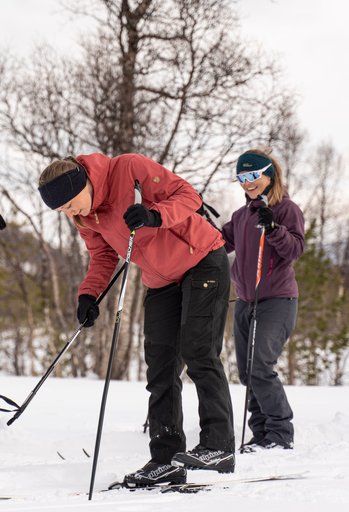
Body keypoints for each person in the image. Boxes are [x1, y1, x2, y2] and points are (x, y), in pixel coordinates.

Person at [38, 153, 236, 488]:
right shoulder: (87, 217)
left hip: (202, 260)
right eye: (64, 212)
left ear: (83, 182)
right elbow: (102, 256)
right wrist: (88, 295)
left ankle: (218, 445)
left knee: (198, 351)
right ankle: (165, 459)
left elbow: (189, 196)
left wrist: (154, 215)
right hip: (160, 281)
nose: (72, 214)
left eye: (72, 204)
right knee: (160, 367)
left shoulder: (129, 169)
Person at [221, 148, 305, 451]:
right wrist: (196, 223)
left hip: (277, 301)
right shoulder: (242, 216)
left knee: (260, 367)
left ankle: (280, 434)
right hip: (244, 301)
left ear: (270, 174)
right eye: (241, 177)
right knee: (247, 372)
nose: (248, 182)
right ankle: (261, 434)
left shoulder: (286, 209)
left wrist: (273, 228)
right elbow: (220, 242)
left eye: (253, 175)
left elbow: (294, 249)